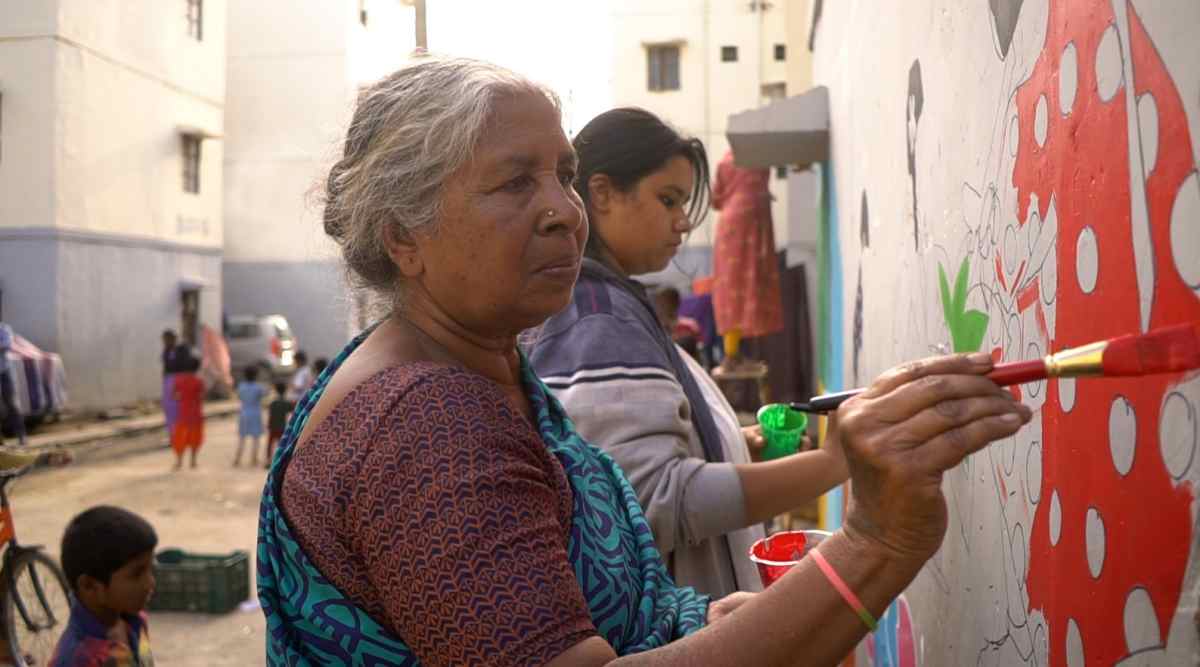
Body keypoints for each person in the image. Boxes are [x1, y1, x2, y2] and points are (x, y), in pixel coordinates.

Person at [256, 55, 1032, 666]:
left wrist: (698, 622)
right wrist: (876, 542)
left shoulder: (481, 362)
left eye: (561, 174)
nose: (564, 211)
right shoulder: (425, 427)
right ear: (402, 236)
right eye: (513, 182)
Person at [526, 108, 843, 597]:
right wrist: (838, 464)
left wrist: (730, 443)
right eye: (667, 199)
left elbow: (625, 454)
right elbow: (654, 501)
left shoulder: (615, 302)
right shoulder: (598, 319)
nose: (681, 223)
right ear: (604, 194)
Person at [51, 506, 157, 667]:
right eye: (136, 574)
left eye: (151, 569)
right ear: (90, 586)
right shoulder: (79, 659)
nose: (150, 582)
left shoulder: (135, 620)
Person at [709, 149, 784, 373]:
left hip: (729, 224)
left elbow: (715, 199)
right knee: (749, 286)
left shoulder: (725, 159)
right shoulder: (760, 154)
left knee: (731, 288)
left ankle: (733, 353)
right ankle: (733, 356)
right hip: (753, 222)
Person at [170, 356, 205, 470]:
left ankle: (179, 461)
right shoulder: (199, 381)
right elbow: (201, 396)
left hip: (183, 413)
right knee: (195, 437)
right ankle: (193, 461)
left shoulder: (178, 380)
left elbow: (174, 396)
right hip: (196, 413)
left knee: (180, 438)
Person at [160, 328, 192, 446]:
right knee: (170, 411)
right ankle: (173, 436)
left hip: (179, 381)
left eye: (166, 339)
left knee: (180, 410)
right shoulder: (166, 350)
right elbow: (165, 367)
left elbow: (183, 365)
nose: (165, 342)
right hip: (169, 382)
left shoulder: (182, 349)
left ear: (172, 338)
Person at [0, 322, 26, 447]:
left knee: (11, 403)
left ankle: (21, 436)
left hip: (4, 371)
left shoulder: (4, 329)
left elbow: (6, 345)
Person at [234, 366, 267, 466]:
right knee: (256, 438)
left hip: (244, 413)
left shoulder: (241, 386)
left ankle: (237, 458)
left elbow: (239, 396)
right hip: (255, 413)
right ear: (256, 375)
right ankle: (254, 459)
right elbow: (265, 394)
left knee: (242, 438)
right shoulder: (258, 387)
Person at [264, 382, 294, 469]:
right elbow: (292, 410)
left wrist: (269, 425)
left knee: (270, 444)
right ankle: (280, 461)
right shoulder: (286, 403)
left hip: (273, 427)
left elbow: (270, 415)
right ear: (285, 390)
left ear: (276, 390)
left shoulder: (273, 403)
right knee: (281, 445)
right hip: (282, 427)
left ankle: (268, 460)